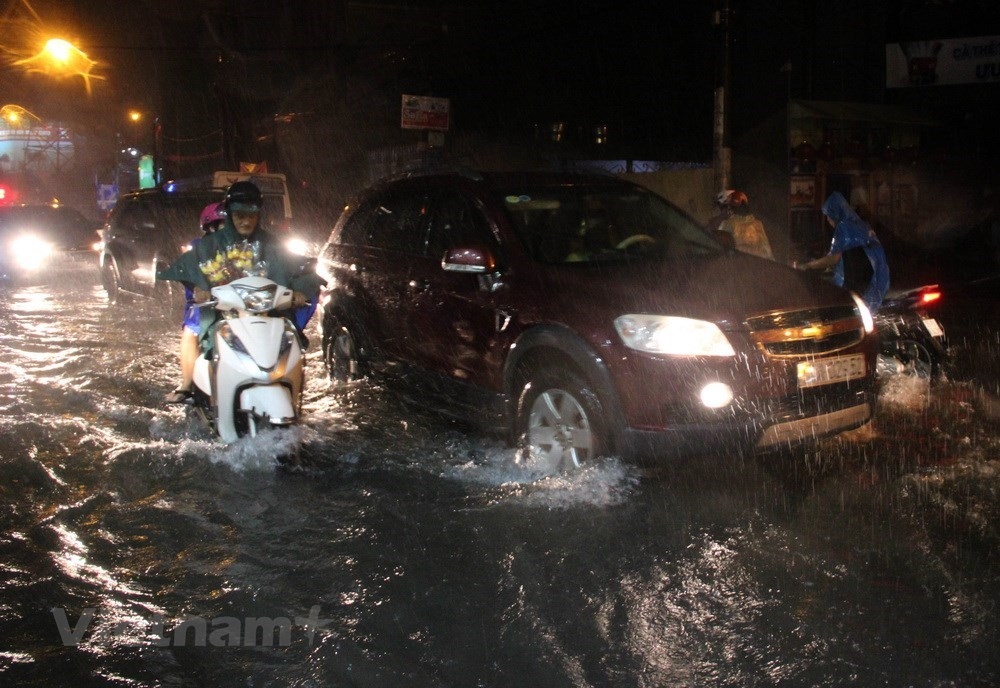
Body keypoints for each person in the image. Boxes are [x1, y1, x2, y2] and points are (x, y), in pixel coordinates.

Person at [157, 181, 323, 402]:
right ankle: (191, 386)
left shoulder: (272, 244)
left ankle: (291, 396)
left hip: (267, 313)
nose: (246, 221)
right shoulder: (210, 245)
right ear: (230, 215)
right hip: (223, 313)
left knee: (289, 341)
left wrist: (300, 290)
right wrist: (198, 287)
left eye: (251, 216)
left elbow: (298, 268)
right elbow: (191, 268)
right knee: (193, 329)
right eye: (240, 216)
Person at [164, 201, 226, 403]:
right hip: (206, 305)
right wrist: (199, 288)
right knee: (191, 330)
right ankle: (187, 384)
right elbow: (187, 270)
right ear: (210, 227)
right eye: (222, 225)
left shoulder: (248, 247)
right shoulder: (198, 249)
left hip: (240, 304)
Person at [795, 190, 890, 312]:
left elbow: (834, 258)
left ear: (835, 212)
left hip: (859, 283)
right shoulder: (860, 225)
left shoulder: (844, 227)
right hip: (875, 278)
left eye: (829, 215)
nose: (828, 220)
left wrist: (808, 265)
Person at [716, 190, 774, 260]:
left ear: (729, 208)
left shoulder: (728, 224)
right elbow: (767, 253)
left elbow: (717, 247)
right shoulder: (757, 224)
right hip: (758, 266)